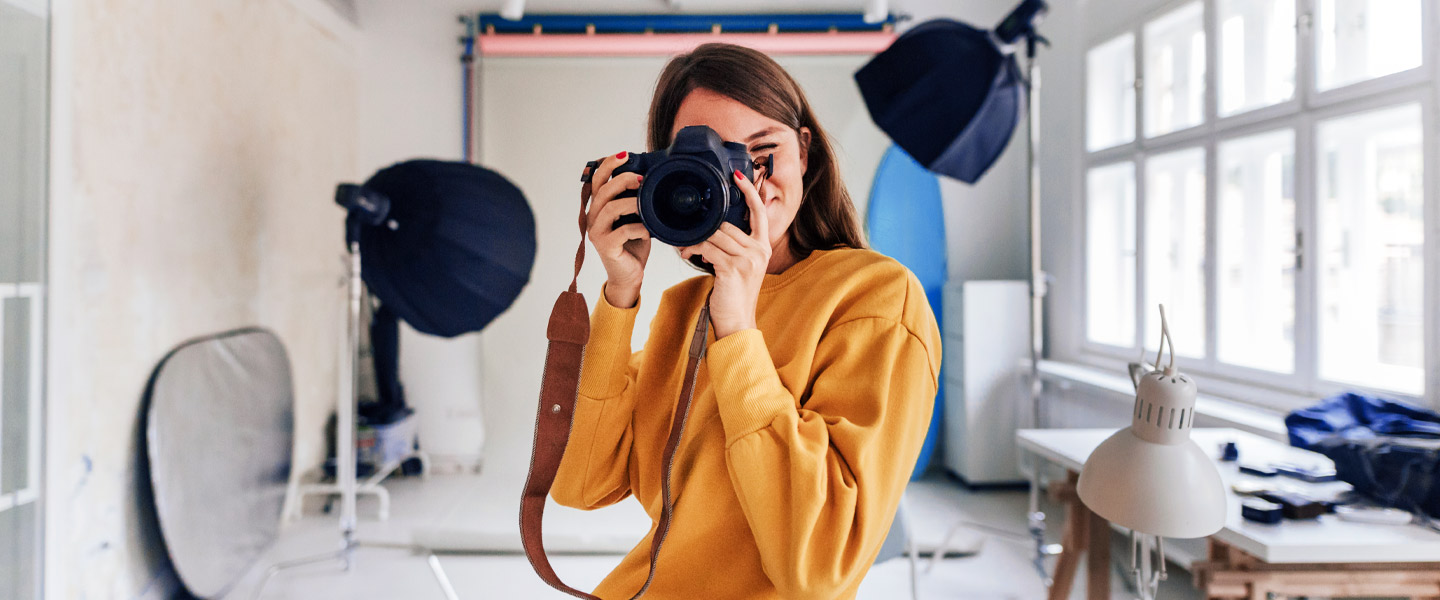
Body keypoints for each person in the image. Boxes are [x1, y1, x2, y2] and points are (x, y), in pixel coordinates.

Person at [551, 42, 941, 600]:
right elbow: (583, 483)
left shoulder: (876, 298)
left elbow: (818, 565)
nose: (748, 187)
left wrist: (737, 328)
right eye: (712, 167)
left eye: (760, 157)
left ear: (804, 152)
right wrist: (619, 294)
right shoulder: (685, 309)